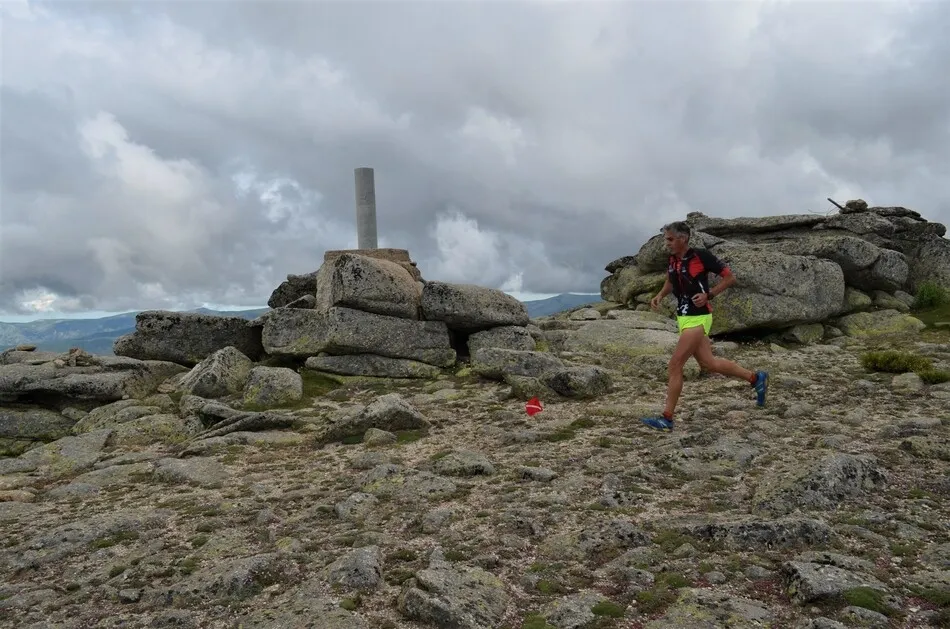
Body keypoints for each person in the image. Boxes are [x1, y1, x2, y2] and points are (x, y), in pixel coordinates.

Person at [640, 221, 768, 431]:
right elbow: (670, 281)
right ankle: (755, 378)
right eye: (666, 239)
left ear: (683, 238)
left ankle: (667, 418)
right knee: (709, 364)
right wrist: (660, 295)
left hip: (699, 317)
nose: (667, 243)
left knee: (675, 365)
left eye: (670, 239)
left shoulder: (701, 256)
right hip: (684, 316)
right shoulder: (673, 259)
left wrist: (709, 294)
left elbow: (730, 278)